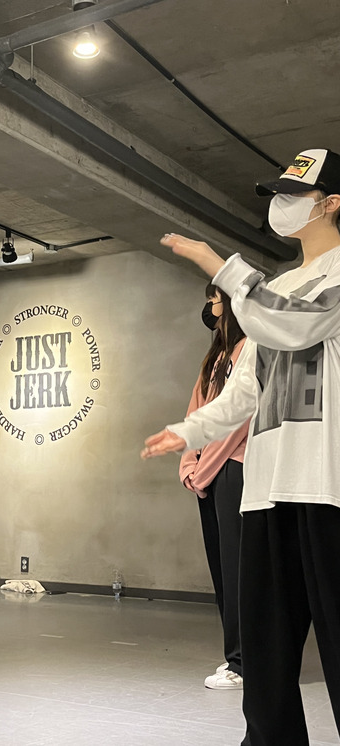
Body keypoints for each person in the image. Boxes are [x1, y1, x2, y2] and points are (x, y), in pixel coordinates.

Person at [141, 148, 340, 746]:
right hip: (266, 490)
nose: (282, 207)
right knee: (266, 654)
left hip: (327, 487)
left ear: (331, 204)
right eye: (277, 195)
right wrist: (192, 430)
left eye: (294, 195)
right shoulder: (275, 286)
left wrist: (217, 264)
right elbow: (247, 387)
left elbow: (299, 324)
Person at [179, 285, 248, 690]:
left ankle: (243, 662)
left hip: (234, 470)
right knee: (222, 568)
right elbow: (196, 414)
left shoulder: (248, 350)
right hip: (209, 473)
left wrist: (203, 471)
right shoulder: (215, 357)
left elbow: (237, 418)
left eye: (215, 296)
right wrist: (190, 464)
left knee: (239, 569)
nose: (209, 304)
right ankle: (236, 657)